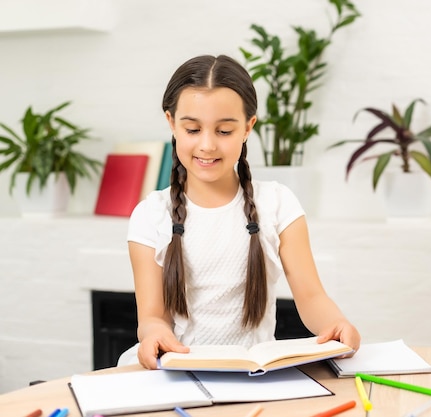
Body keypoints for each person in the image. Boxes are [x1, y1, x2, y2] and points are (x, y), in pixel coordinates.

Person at [118, 54, 360, 369]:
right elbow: (152, 316)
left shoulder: (278, 203)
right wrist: (154, 334)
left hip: (257, 376)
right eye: (192, 129)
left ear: (248, 127)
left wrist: (337, 323)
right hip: (180, 372)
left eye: (224, 131)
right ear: (172, 124)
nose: (207, 145)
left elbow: (312, 297)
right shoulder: (150, 215)